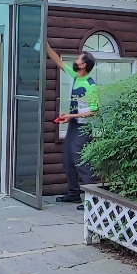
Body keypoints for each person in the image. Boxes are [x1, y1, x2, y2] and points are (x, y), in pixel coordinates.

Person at [46, 42, 97, 207]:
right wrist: (46, 45)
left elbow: (94, 111)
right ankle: (74, 193)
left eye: (78, 59)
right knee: (67, 159)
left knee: (80, 161)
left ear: (83, 65)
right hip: (74, 124)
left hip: (84, 127)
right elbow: (58, 61)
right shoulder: (76, 77)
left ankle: (92, 201)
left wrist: (71, 115)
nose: (75, 61)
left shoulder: (90, 85)